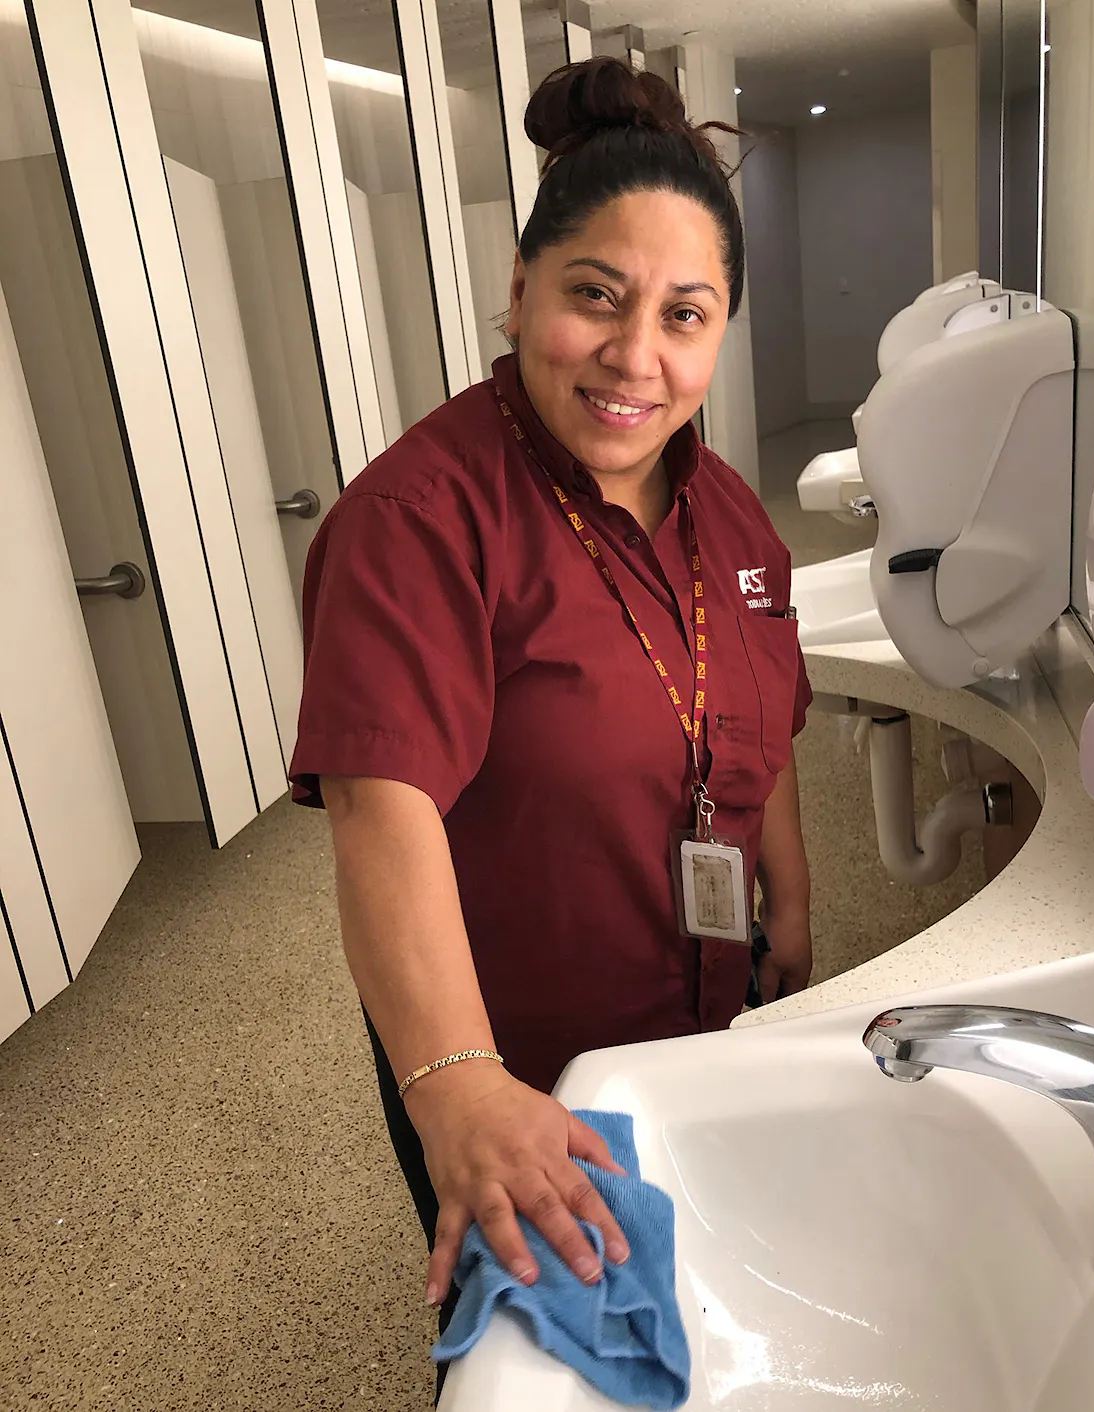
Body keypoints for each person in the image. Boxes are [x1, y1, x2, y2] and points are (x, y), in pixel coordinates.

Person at [289, 55, 813, 1388]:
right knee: (565, 1357)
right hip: (523, 1052)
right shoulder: (420, 519)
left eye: (686, 315)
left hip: (707, 1005)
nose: (639, 356)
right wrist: (459, 1086)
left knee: (723, 1300)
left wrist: (790, 908)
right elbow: (378, 805)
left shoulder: (732, 513)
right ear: (522, 293)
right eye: (597, 296)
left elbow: (763, 723)